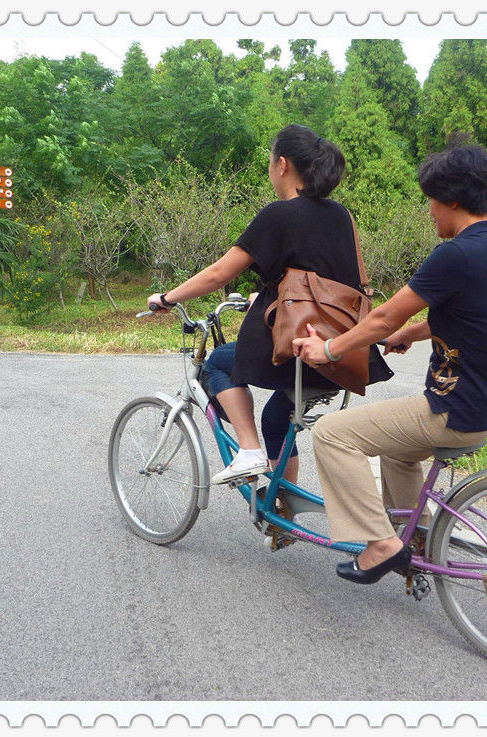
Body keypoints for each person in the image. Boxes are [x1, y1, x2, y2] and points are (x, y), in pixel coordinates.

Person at [293, 143, 487, 584]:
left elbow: (383, 317)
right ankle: (416, 540)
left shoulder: (455, 255)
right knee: (398, 454)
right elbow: (463, 314)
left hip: (454, 410)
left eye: (431, 200)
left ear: (452, 199)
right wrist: (411, 334)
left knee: (331, 434)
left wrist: (329, 350)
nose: (430, 211)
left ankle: (382, 545)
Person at [147, 124, 392, 485]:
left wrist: (166, 298)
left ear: (282, 164)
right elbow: (326, 282)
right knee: (276, 419)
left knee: (218, 363)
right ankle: (283, 505)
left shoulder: (279, 214)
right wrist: (268, 297)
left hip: (297, 352)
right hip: (340, 355)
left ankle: (248, 451)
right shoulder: (342, 215)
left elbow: (218, 274)